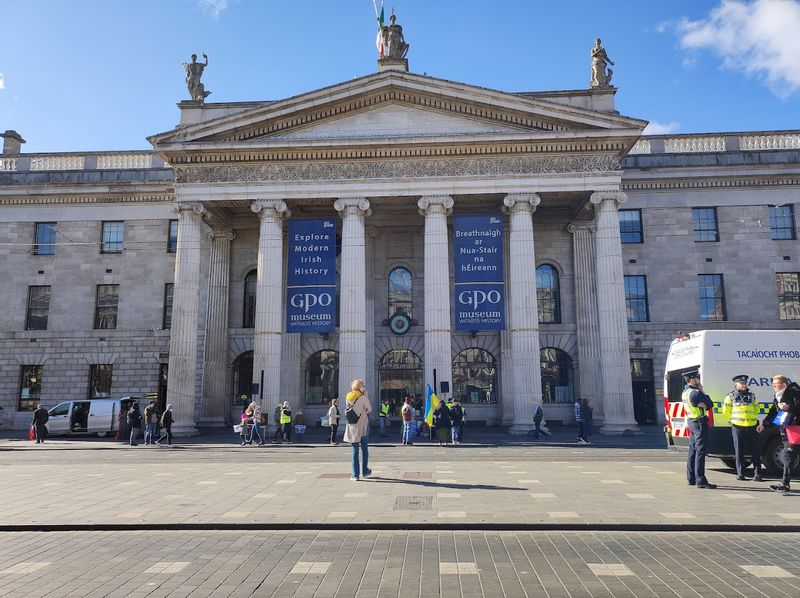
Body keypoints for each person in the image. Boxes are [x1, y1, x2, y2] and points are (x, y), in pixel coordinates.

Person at [759, 375, 800, 494]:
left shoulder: (794, 392)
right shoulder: (777, 397)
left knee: (788, 454)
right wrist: (764, 425)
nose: (773, 387)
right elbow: (773, 412)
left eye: (775, 385)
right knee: (789, 456)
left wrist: (789, 407)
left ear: (783, 385)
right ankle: (784, 484)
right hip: (787, 431)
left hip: (795, 430)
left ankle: (784, 484)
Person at [722, 374, 763, 481]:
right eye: (742, 383)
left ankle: (757, 474)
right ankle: (740, 474)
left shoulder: (752, 396)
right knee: (739, 451)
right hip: (738, 427)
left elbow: (756, 409)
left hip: (752, 426)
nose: (744, 385)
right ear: (736, 384)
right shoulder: (730, 397)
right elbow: (726, 411)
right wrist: (733, 420)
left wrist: (752, 419)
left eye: (745, 383)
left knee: (755, 451)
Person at [682, 369, 717, 489]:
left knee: (692, 450)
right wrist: (702, 391)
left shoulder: (685, 392)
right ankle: (700, 480)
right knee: (701, 451)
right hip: (699, 423)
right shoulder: (696, 393)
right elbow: (710, 404)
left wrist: (704, 404)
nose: (699, 381)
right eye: (697, 378)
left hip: (692, 422)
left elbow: (705, 405)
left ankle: (691, 477)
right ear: (692, 379)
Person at [343, 379, 372, 480]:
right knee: (364, 449)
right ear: (361, 387)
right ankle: (364, 471)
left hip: (352, 426)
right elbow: (370, 409)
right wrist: (366, 397)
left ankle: (355, 475)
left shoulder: (348, 396)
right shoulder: (363, 397)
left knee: (355, 450)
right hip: (362, 426)